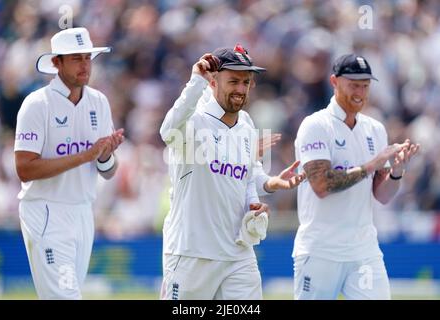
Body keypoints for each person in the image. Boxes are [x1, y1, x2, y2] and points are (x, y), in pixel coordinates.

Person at [292, 54, 420, 300]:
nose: (360, 92)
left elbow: (381, 196)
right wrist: (372, 164)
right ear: (334, 82)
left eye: (365, 85)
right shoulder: (315, 125)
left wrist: (396, 171)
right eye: (353, 84)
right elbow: (321, 185)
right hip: (321, 250)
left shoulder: (375, 128)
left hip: (363, 249)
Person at [14, 27, 124, 299]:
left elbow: (108, 172)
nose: (85, 65)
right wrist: (86, 155)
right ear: (56, 62)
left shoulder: (99, 102)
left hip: (83, 211)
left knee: (65, 294)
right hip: (46, 211)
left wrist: (105, 154)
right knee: (65, 296)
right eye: (76, 59)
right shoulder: (37, 104)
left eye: (87, 57)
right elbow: (25, 169)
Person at [159, 44, 276, 300]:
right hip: (192, 252)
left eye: (246, 82)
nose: (241, 89)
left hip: (238, 252)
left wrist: (254, 204)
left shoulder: (246, 124)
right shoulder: (195, 120)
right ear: (213, 82)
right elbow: (167, 131)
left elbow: (244, 179)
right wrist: (195, 81)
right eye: (233, 81)